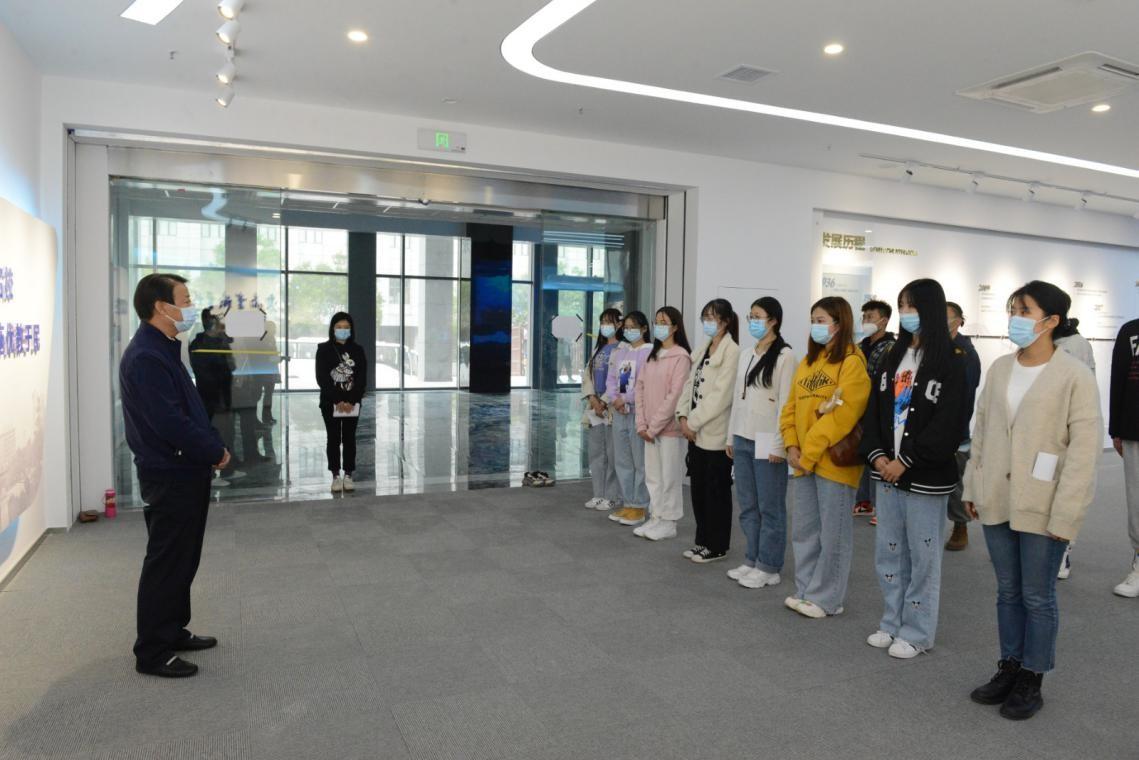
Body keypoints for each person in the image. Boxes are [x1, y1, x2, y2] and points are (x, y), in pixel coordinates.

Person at [963, 280, 1101, 721]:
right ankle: (1009, 665)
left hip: (1045, 501)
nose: (1016, 318)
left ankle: (1032, 676)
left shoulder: (1074, 375)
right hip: (997, 495)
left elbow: (1083, 452)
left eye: (1025, 311)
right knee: (1007, 590)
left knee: (1037, 595)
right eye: (1014, 310)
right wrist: (973, 485)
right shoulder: (1001, 368)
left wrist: (1067, 514)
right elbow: (982, 431)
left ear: (1051, 320)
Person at [120, 274, 228, 678]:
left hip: (185, 469)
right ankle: (152, 650)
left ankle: (173, 630)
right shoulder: (146, 357)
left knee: (183, 557)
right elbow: (169, 422)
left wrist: (210, 443)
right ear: (160, 307)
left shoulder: (164, 346)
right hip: (170, 473)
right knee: (166, 562)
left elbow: (189, 409)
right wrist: (213, 450)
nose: (190, 306)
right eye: (184, 300)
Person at [860, 280, 965, 658]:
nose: (906, 313)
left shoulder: (951, 360)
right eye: (902, 306)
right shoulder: (894, 356)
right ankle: (891, 621)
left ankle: (917, 632)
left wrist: (905, 461)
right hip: (886, 472)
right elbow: (874, 411)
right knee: (888, 552)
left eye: (913, 306)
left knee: (923, 558)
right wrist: (877, 456)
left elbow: (950, 423)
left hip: (923, 476)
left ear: (931, 310)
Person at [780, 296, 870, 618]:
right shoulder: (809, 361)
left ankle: (827, 598)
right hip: (803, 460)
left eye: (821, 320)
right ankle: (805, 590)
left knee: (834, 535)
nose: (815, 326)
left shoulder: (852, 362)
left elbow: (843, 416)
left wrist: (809, 453)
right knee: (804, 531)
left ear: (839, 324)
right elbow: (790, 408)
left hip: (832, 463)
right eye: (813, 320)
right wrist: (791, 445)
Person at [725, 297, 796, 589]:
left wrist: (780, 445)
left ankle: (769, 565)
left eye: (758, 316)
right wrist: (731, 435)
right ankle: (752, 558)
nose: (753, 321)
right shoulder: (746, 354)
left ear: (773, 320)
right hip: (743, 434)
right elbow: (737, 398)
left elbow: (785, 404)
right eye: (750, 316)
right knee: (747, 505)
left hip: (768, 438)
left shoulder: (785, 356)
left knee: (770, 506)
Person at [677, 299, 740, 563]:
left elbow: (720, 396)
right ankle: (702, 540)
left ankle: (717, 545)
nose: (707, 322)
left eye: (712, 318)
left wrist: (692, 423)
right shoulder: (703, 348)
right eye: (705, 317)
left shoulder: (732, 351)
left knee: (716, 493)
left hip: (714, 433)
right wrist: (682, 416)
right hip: (694, 432)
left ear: (725, 321)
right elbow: (689, 384)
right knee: (698, 491)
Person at [634, 306, 693, 540]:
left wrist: (654, 426)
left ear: (675, 327)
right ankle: (656, 516)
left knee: (670, 478)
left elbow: (675, 396)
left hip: (668, 430)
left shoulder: (681, 357)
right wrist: (642, 424)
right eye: (656, 321)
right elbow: (640, 388)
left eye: (663, 322)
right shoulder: (653, 355)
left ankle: (669, 521)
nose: (658, 326)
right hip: (649, 429)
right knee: (653, 477)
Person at [1052, 317, 1096, 578]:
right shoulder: (1038, 344)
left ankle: (1063, 550)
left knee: (1066, 491)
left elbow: (1082, 389)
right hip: (1039, 431)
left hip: (1066, 429)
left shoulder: (1076, 344)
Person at [603, 312, 653, 526]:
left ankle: (640, 506)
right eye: (626, 327)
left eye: (633, 326)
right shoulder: (623, 352)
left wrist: (626, 399)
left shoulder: (649, 351)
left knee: (639, 461)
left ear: (644, 328)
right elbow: (612, 379)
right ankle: (628, 502)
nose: (628, 330)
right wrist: (615, 399)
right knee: (622, 460)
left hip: (637, 412)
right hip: (620, 411)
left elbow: (644, 383)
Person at [854, 300, 896, 522]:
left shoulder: (891, 348)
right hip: (857, 408)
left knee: (877, 455)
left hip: (878, 409)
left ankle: (881, 507)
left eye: (870, 317)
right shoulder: (860, 346)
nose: (865, 321)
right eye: (864, 317)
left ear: (884, 321)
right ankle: (863, 501)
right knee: (861, 453)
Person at [316, 312, 367, 493]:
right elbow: (322, 378)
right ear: (333, 329)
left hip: (352, 404)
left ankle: (349, 474)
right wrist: (338, 400)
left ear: (351, 329)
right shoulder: (323, 349)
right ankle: (335, 475)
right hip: (330, 403)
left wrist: (350, 401)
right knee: (333, 438)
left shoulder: (358, 350)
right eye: (339, 327)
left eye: (346, 327)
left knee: (349, 438)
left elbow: (361, 379)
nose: (342, 330)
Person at [945, 302, 982, 551]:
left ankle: (961, 525)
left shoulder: (966, 353)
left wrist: (955, 429)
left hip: (955, 430)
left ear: (959, 321)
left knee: (956, 480)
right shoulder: (931, 347)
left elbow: (965, 396)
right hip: (929, 427)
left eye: (946, 317)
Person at [188, 308, 237, 485]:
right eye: (219, 320)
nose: (224, 323)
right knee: (211, 434)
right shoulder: (199, 344)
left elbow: (232, 365)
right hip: (209, 397)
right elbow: (206, 373)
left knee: (228, 432)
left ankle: (227, 471)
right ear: (212, 322)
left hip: (224, 394)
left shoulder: (222, 341)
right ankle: (210, 474)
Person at [1108, 317, 1139, 598]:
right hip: (1135, 428)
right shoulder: (1131, 331)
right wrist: (1116, 429)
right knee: (1137, 500)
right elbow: (1118, 378)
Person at [582, 308, 623, 512]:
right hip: (595, 407)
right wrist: (592, 398)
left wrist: (604, 401)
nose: (605, 325)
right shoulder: (598, 348)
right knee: (596, 453)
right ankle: (598, 494)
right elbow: (587, 375)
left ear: (619, 324)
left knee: (613, 454)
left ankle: (613, 496)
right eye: (603, 322)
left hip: (612, 406)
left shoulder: (623, 348)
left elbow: (621, 380)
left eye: (609, 321)